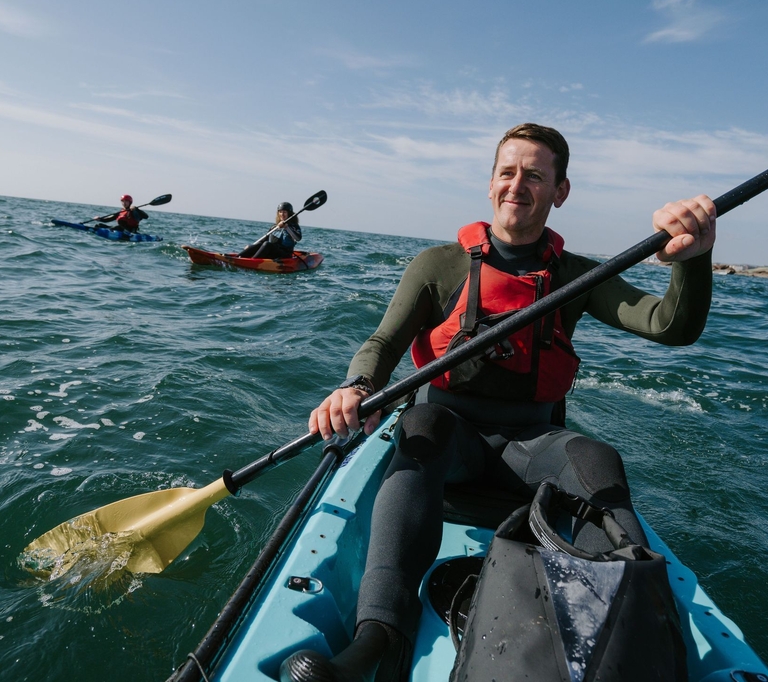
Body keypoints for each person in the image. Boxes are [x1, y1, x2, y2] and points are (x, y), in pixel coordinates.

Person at [280, 123, 717, 682]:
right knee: (421, 425)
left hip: (531, 446)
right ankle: (378, 636)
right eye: (508, 172)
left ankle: (631, 637)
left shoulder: (577, 275)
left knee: (598, 459)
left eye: (535, 175)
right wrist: (358, 387)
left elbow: (668, 326)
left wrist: (693, 258)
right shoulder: (438, 265)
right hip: (447, 440)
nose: (518, 185)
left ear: (560, 191)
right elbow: (383, 343)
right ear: (490, 184)